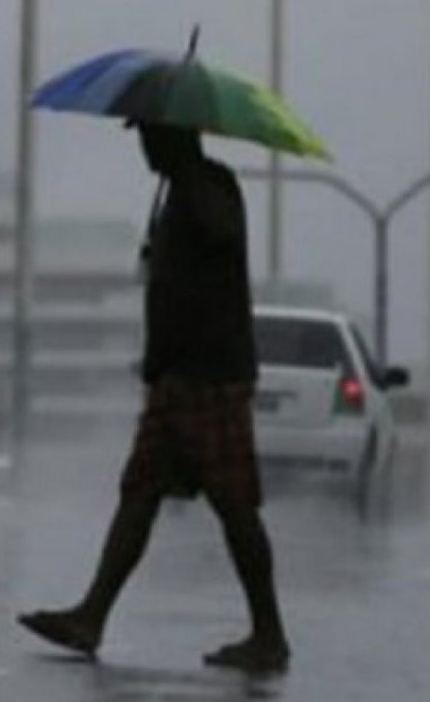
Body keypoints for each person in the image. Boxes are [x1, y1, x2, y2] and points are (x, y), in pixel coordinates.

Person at [17, 122, 290, 673]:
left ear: (175, 137)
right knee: (138, 493)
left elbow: (220, 235)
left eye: (148, 136)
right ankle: (91, 616)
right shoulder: (177, 193)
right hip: (174, 377)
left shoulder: (208, 187)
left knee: (235, 506)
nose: (141, 146)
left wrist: (188, 184)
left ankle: (269, 633)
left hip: (208, 376)